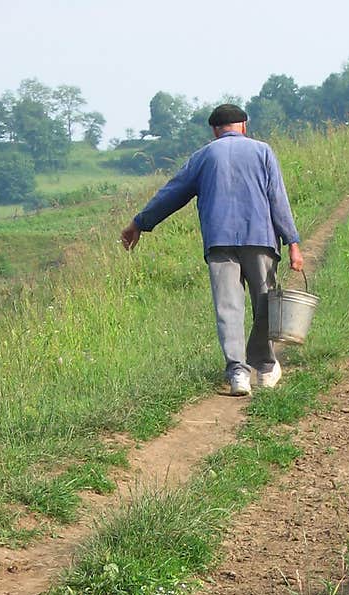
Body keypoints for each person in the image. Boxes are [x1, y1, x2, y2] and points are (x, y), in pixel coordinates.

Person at [121, 103, 304, 396]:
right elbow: (277, 200)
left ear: (215, 130)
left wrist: (140, 223)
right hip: (260, 238)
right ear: (244, 125)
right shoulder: (263, 151)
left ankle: (238, 374)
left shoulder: (203, 156)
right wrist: (293, 242)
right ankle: (266, 366)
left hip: (219, 241)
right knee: (265, 303)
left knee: (228, 308)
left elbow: (171, 194)